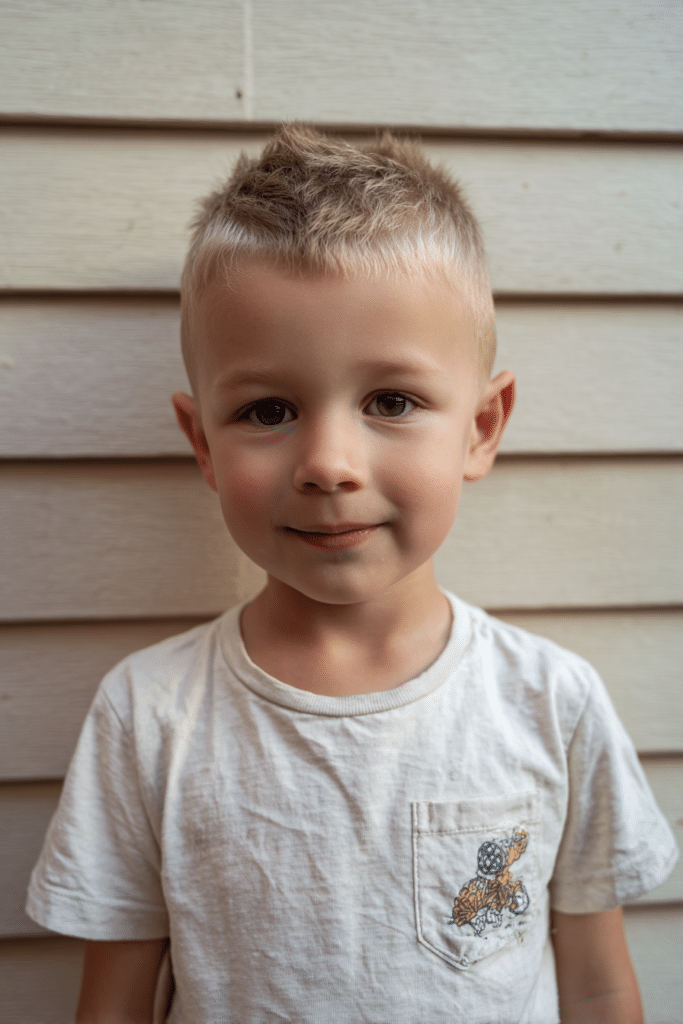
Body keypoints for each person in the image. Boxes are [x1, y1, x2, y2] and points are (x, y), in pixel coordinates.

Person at [27, 124, 677, 1024]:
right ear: (202, 442)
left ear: (481, 427)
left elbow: (598, 986)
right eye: (268, 410)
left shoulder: (548, 703)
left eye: (391, 401)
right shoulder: (150, 716)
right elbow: (115, 1002)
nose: (328, 464)